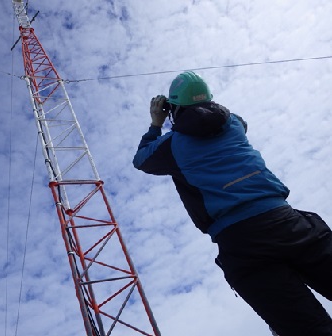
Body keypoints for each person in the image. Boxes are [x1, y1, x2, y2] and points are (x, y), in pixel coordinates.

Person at [133, 71, 332, 336]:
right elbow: (233, 121)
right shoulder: (234, 123)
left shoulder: (172, 145)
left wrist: (156, 124)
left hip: (243, 243)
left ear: (173, 107)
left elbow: (141, 160)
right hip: (289, 222)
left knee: (311, 330)